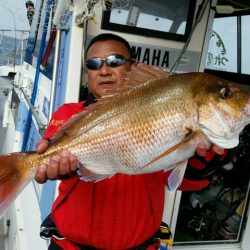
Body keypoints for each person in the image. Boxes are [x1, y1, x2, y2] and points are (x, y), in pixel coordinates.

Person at [35, 33, 224, 250]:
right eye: (94, 64)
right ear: (88, 74)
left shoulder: (161, 112)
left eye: (115, 61)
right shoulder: (70, 113)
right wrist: (57, 165)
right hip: (70, 246)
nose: (104, 70)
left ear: (132, 67)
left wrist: (208, 155)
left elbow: (183, 180)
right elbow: (50, 145)